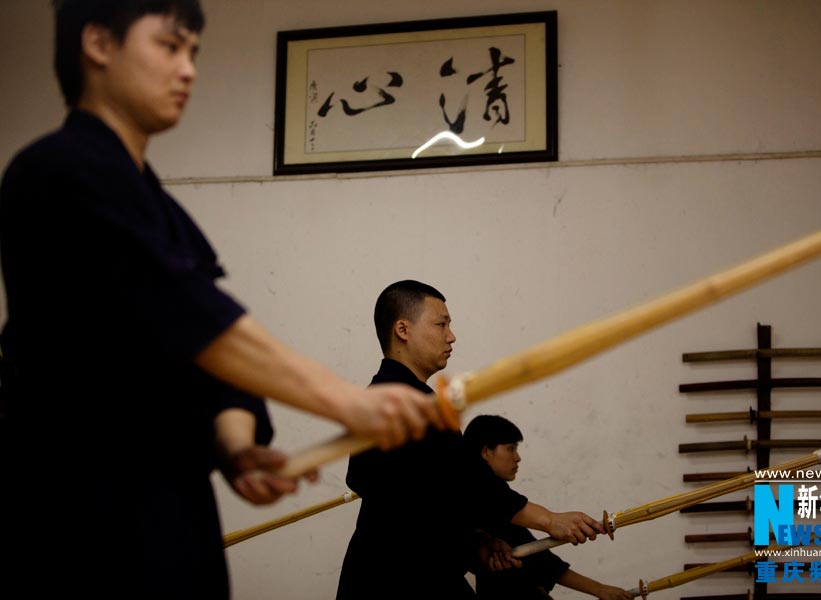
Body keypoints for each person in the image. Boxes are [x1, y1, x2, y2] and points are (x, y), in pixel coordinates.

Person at [0, 2, 448, 598]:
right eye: (169, 46)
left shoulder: (159, 208)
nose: (187, 69)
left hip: (169, 510)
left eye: (194, 53)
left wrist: (235, 444)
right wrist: (345, 401)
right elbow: (194, 321)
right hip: (78, 511)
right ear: (98, 44)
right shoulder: (55, 170)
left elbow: (207, 360)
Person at [336, 280, 608, 599]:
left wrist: (476, 540)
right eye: (441, 324)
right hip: (396, 580)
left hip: (400, 574)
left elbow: (425, 499)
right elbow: (471, 484)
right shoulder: (401, 404)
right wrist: (548, 519)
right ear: (403, 330)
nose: (451, 336)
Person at [464, 415, 634, 600]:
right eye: (510, 449)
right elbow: (544, 564)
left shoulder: (493, 505)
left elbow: (539, 560)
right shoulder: (490, 504)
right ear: (485, 452)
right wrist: (599, 589)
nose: (517, 458)